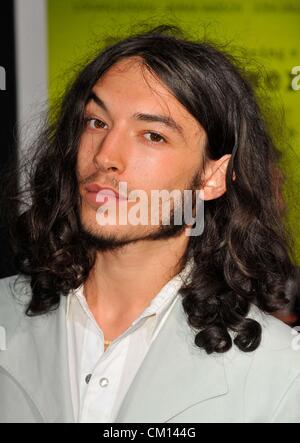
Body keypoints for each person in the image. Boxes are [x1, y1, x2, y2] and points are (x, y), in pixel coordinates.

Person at [0, 25, 300, 423]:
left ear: (212, 177)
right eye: (96, 122)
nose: (106, 155)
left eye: (153, 136)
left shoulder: (279, 373)